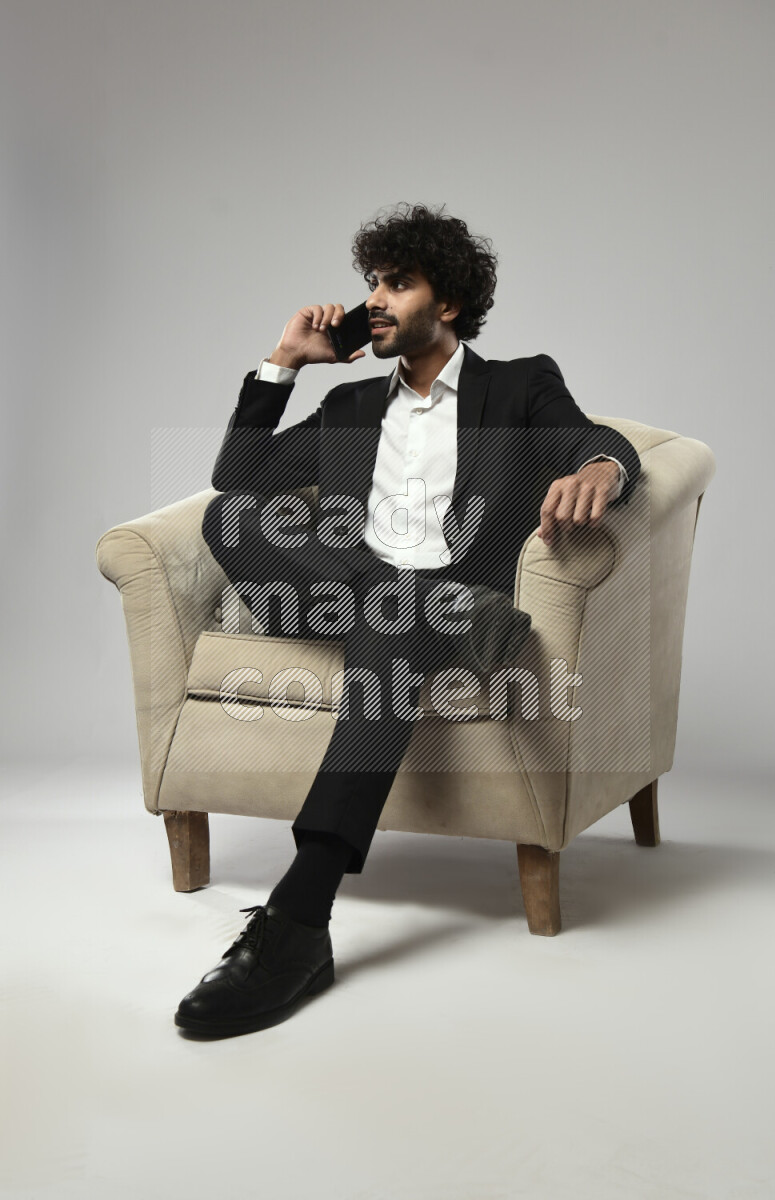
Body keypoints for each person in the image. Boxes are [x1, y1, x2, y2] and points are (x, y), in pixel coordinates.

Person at [175, 202, 641, 1038]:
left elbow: (589, 438)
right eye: (371, 284)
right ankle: (425, 605)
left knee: (394, 620)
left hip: (419, 607)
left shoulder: (517, 383)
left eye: (398, 282)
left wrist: (605, 464)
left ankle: (298, 920)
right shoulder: (351, 406)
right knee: (231, 522)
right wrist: (285, 362)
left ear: (449, 303)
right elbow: (238, 478)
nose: (375, 299)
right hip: (368, 596)